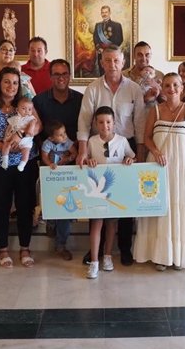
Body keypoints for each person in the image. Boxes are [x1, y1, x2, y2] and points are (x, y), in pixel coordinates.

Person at [77, 45, 146, 266]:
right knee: (97, 200)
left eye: (116, 60)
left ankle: (123, 248)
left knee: (124, 202)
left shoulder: (134, 89)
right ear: (102, 62)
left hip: (126, 148)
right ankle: (95, 251)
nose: (112, 64)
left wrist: (140, 157)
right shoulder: (93, 88)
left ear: (123, 62)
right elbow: (84, 121)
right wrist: (82, 151)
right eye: (107, 60)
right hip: (98, 149)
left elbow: (140, 123)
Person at [134, 73, 185, 270]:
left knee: (181, 207)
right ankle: (160, 256)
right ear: (162, 88)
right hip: (158, 168)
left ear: (182, 88)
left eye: (175, 85)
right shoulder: (155, 111)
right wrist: (156, 151)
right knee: (160, 209)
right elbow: (146, 137)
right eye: (167, 85)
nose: (171, 88)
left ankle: (180, 255)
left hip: (183, 169)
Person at [0, 67, 42, 268]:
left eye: (15, 83)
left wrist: (21, 139)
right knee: (1, 207)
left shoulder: (24, 105)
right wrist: (6, 147)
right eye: (7, 82)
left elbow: (37, 125)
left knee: (25, 205)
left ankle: (25, 247)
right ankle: (3, 249)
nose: (11, 86)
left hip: (26, 162)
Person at [32, 59, 84, 260]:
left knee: (69, 203)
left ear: (69, 76)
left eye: (64, 74)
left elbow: (85, 129)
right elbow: (35, 130)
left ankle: (61, 244)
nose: (60, 78)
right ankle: (51, 224)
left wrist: (78, 153)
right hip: (48, 163)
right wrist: (44, 156)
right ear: (50, 76)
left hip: (72, 161)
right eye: (56, 74)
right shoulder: (40, 101)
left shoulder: (81, 99)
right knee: (51, 201)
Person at [84, 106, 136, 279]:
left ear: (114, 123)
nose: (104, 126)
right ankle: (94, 261)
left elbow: (132, 156)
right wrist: (88, 161)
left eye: (108, 122)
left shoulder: (122, 141)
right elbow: (85, 160)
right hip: (97, 190)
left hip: (115, 190)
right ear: (95, 123)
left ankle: (107, 256)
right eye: (100, 122)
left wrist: (130, 159)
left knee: (112, 224)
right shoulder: (91, 141)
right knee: (97, 223)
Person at [2, 96, 36, 172]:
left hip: (26, 141)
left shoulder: (31, 118)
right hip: (13, 139)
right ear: (17, 109)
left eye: (29, 109)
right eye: (23, 108)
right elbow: (9, 127)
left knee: (26, 153)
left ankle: (22, 164)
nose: (27, 111)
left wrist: (31, 128)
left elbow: (33, 123)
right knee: (6, 145)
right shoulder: (14, 118)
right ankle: (5, 160)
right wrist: (6, 135)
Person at [94, 6, 124, 75]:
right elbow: (95, 39)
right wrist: (99, 48)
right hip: (101, 53)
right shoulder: (97, 25)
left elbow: (120, 39)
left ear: (109, 13)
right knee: (102, 73)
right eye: (102, 12)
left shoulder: (117, 25)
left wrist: (110, 50)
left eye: (106, 12)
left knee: (113, 73)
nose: (104, 14)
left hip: (113, 54)